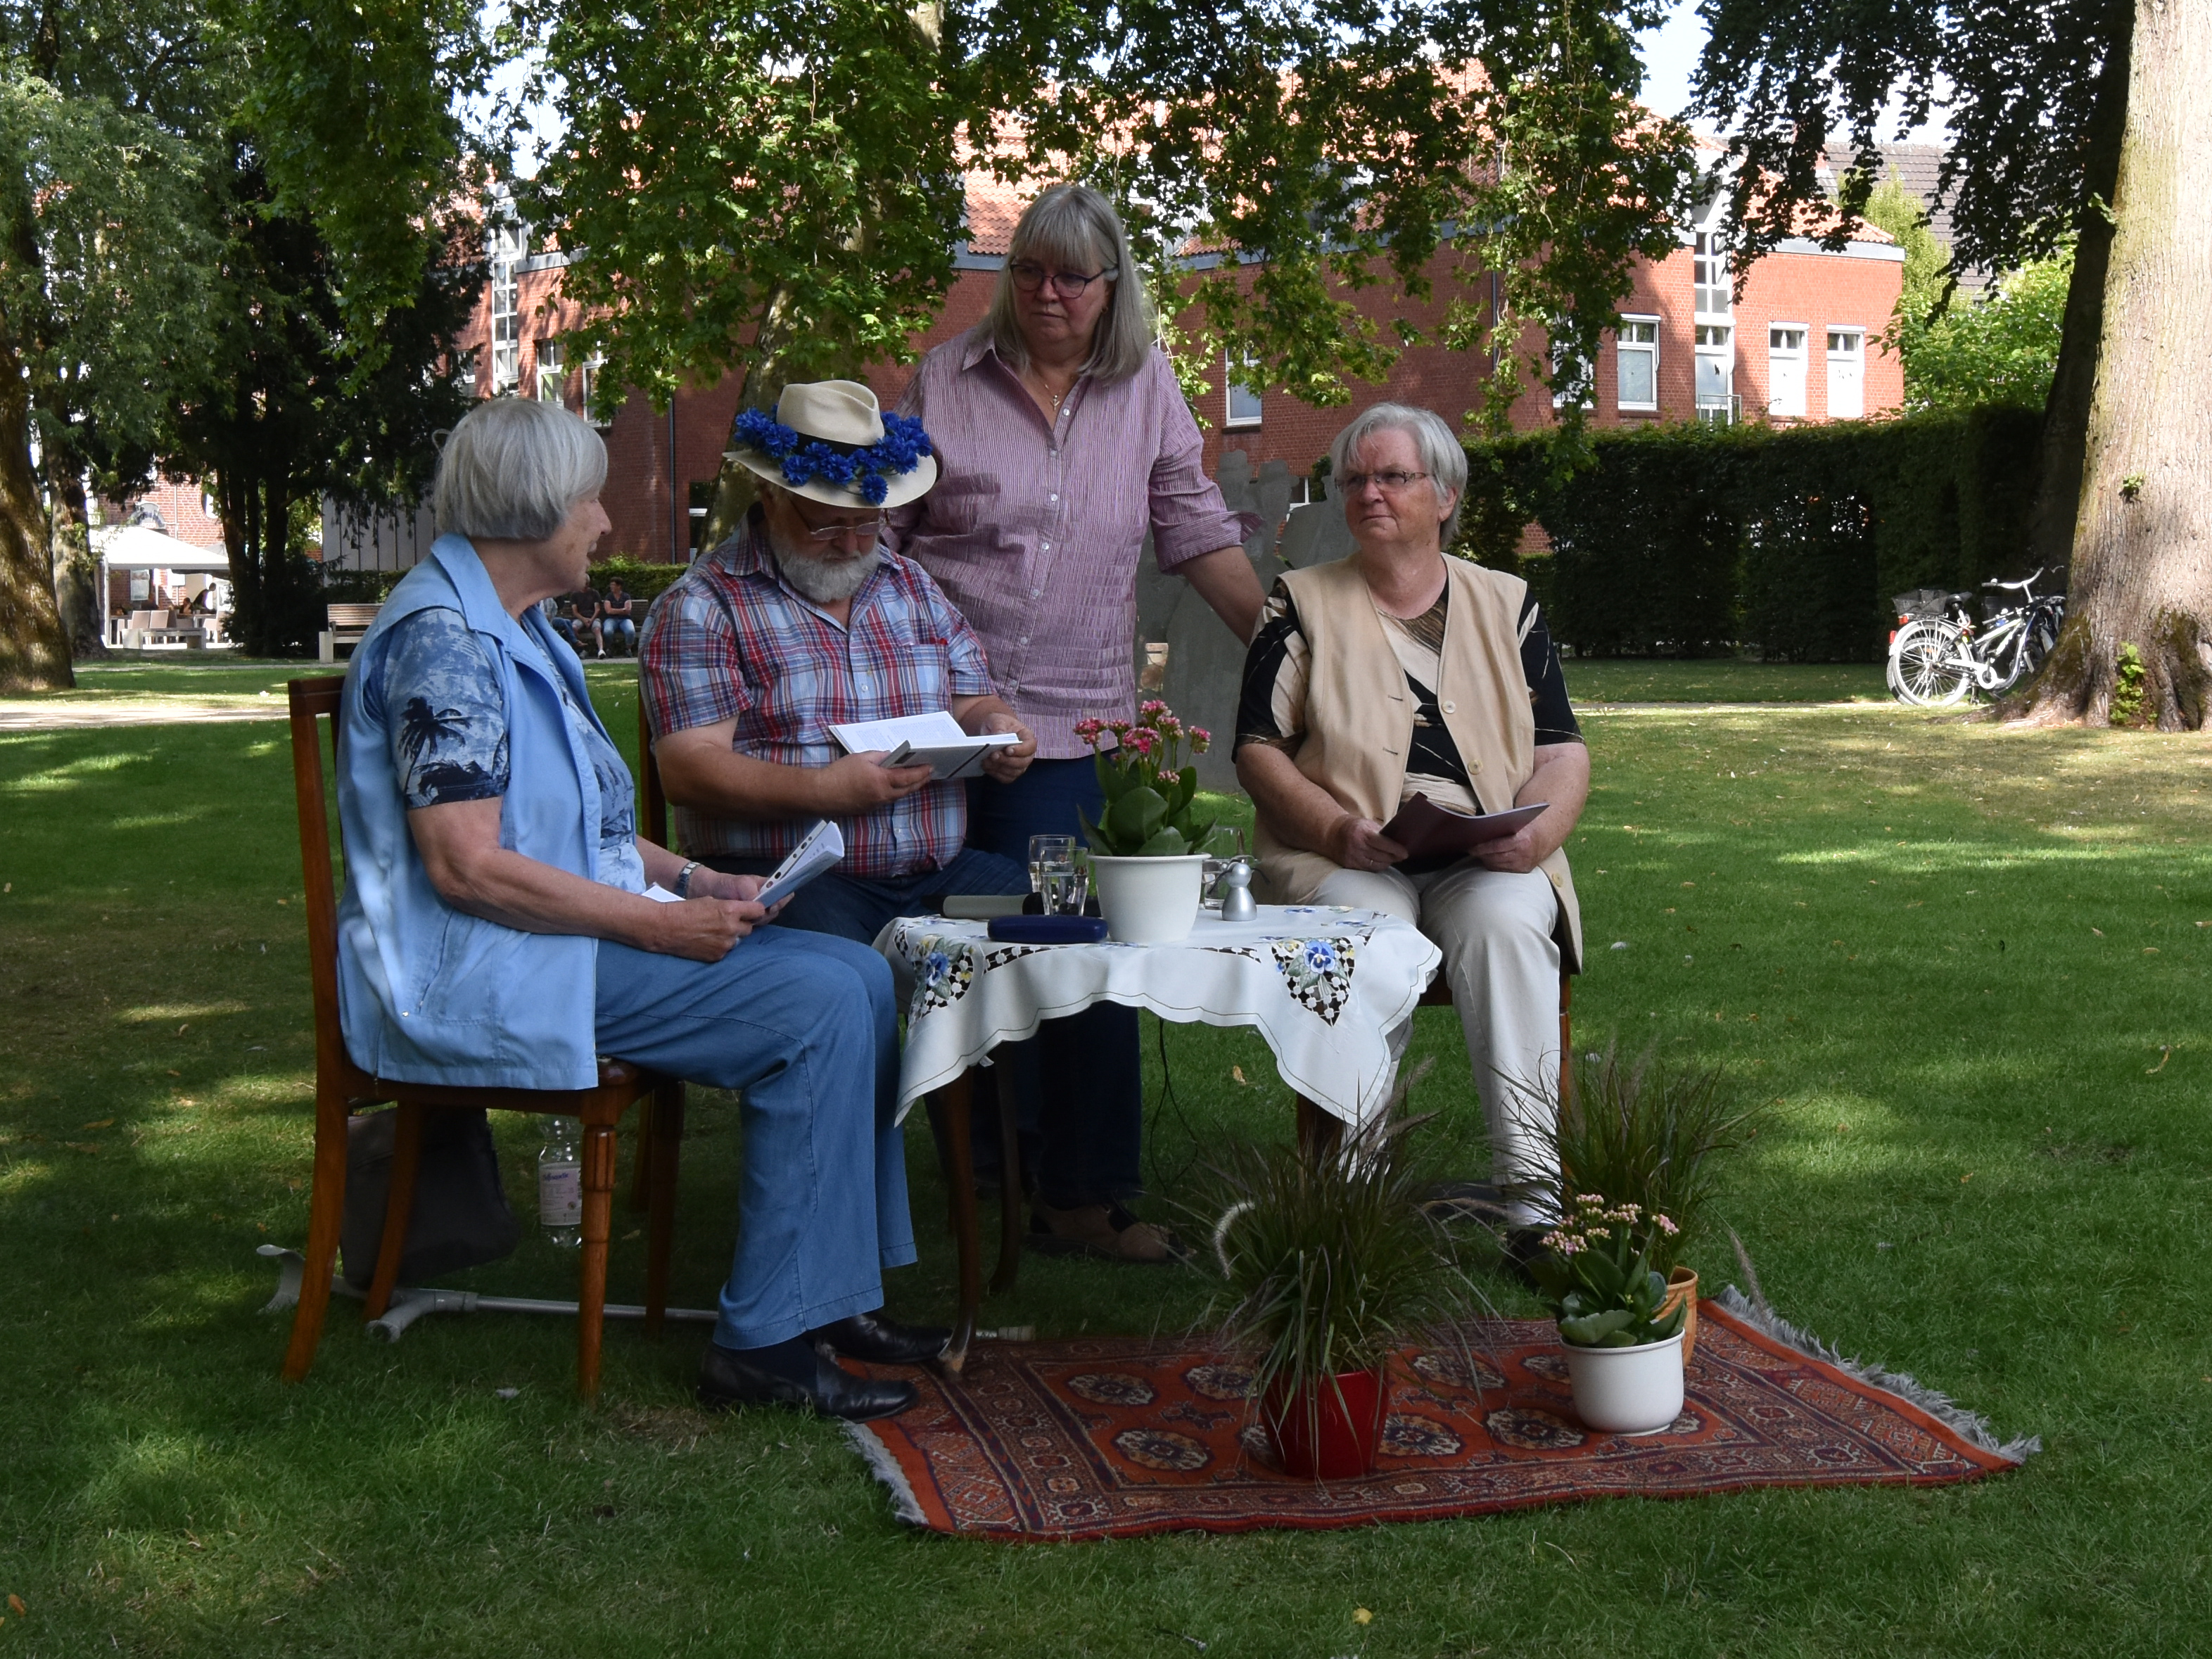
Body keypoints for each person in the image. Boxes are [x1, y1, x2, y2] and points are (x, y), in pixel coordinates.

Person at [333, 396, 943, 1423]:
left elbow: (591, 835)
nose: (604, 524)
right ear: (531, 509)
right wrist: (659, 924)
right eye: (588, 501)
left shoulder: (514, 627)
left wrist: (698, 883)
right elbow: (468, 870)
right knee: (819, 1001)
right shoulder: (446, 644)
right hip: (482, 960)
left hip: (552, 936)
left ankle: (831, 1299)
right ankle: (764, 1345)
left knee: (860, 974)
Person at [885, 183, 1264, 1263]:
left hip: (1078, 719)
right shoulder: (946, 380)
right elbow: (892, 540)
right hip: (946, 712)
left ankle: (1086, 1191)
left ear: (1113, 288)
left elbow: (1193, 524)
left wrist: (1288, 649)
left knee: (1091, 946)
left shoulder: (1146, 384)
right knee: (982, 940)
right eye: (1030, 271)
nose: (1049, 294)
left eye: (1073, 277)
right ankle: (996, 1174)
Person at [1233, 402, 1589, 1248]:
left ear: (1445, 495)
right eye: (1354, 479)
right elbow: (1257, 750)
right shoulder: (1300, 602)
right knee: (1372, 932)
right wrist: (1333, 828)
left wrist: (1535, 841)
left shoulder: (1509, 604)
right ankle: (1352, 1206)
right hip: (1346, 852)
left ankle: (1537, 1210)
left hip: (1481, 854)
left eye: (1393, 477)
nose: (1369, 494)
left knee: (1506, 922)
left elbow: (1562, 751)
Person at [640, 379, 1037, 946]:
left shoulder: (911, 585)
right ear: (770, 495)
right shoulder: (704, 605)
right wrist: (824, 791)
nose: (852, 546)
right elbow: (688, 770)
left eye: (868, 523)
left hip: (935, 874)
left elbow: (972, 700)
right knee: (847, 980)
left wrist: (997, 729)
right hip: (795, 879)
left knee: (1051, 930)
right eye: (827, 524)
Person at [599, 577, 637, 656]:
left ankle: (628, 649)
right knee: (607, 631)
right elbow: (608, 611)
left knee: (631, 631)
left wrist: (615, 610)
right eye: (611, 585)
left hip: (625, 619)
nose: (611, 587)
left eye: (613, 585)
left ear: (619, 586)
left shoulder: (626, 596)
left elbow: (628, 610)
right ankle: (609, 649)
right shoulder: (608, 596)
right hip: (611, 619)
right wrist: (622, 610)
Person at [569, 584, 604, 656]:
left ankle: (601, 650)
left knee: (597, 629)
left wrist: (591, 620)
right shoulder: (575, 595)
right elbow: (575, 612)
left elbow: (597, 610)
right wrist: (584, 619)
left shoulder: (594, 593)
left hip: (593, 618)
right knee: (574, 628)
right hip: (580, 618)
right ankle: (582, 649)